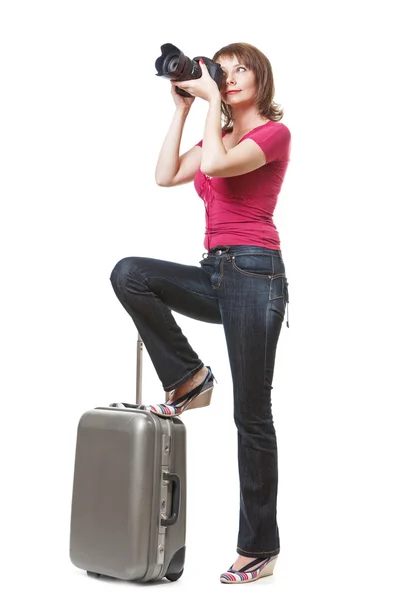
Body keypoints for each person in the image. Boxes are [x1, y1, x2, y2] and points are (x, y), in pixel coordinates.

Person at [110, 42, 291, 584]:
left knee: (252, 415)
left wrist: (213, 102)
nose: (230, 79)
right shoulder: (220, 128)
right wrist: (183, 107)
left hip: (257, 276)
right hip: (214, 270)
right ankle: (189, 377)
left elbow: (213, 164)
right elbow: (166, 175)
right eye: (222, 71)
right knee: (129, 273)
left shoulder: (272, 135)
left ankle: (259, 547)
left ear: (261, 78)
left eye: (241, 71)